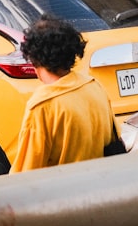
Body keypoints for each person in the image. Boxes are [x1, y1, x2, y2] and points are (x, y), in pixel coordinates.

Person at [10, 15, 117, 173]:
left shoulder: (42, 106)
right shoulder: (94, 86)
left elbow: (26, 172)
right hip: (100, 186)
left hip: (62, 192)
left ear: (33, 58)